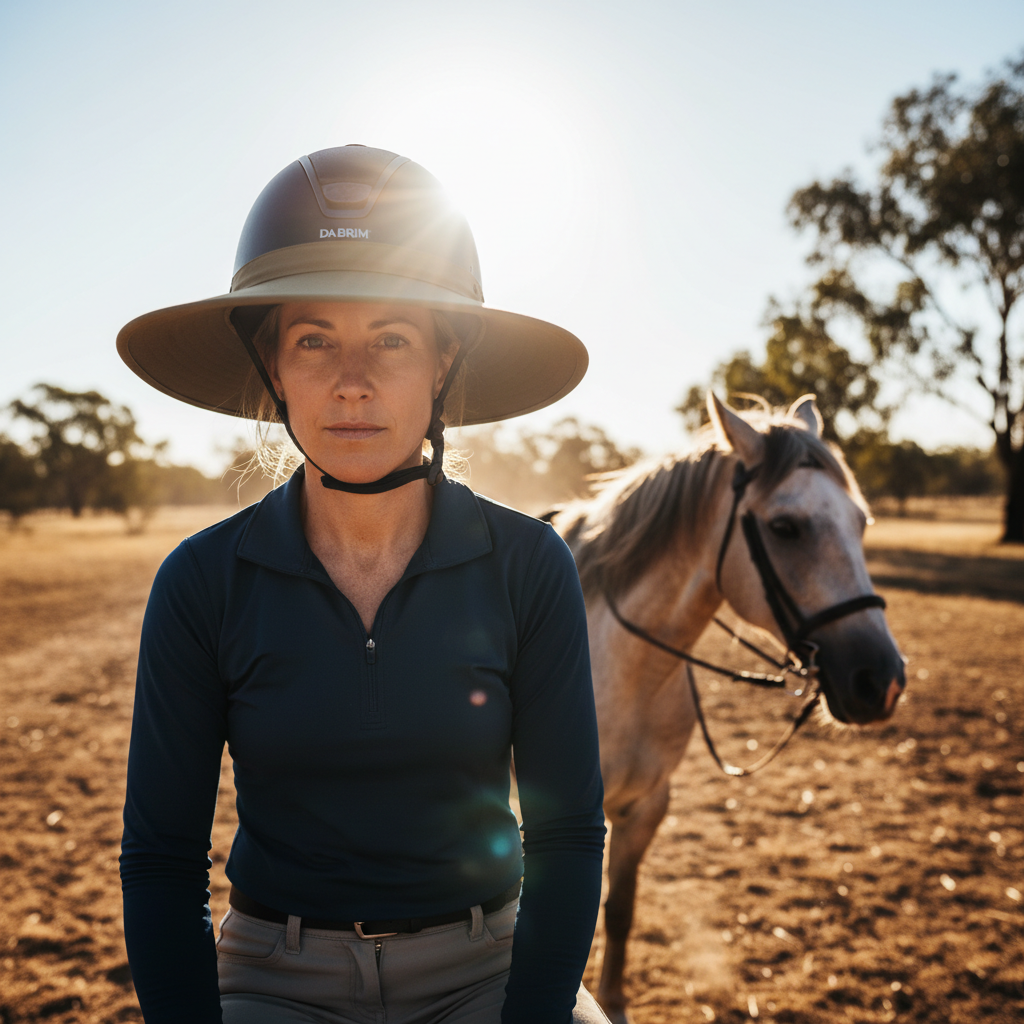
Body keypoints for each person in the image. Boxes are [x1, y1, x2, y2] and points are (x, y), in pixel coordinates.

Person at [117, 145, 609, 1024]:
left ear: (443, 363)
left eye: (392, 339)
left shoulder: (530, 566)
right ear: (273, 367)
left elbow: (568, 837)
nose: (353, 383)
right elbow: (161, 858)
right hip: (273, 976)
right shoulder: (201, 582)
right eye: (315, 340)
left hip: (487, 967)